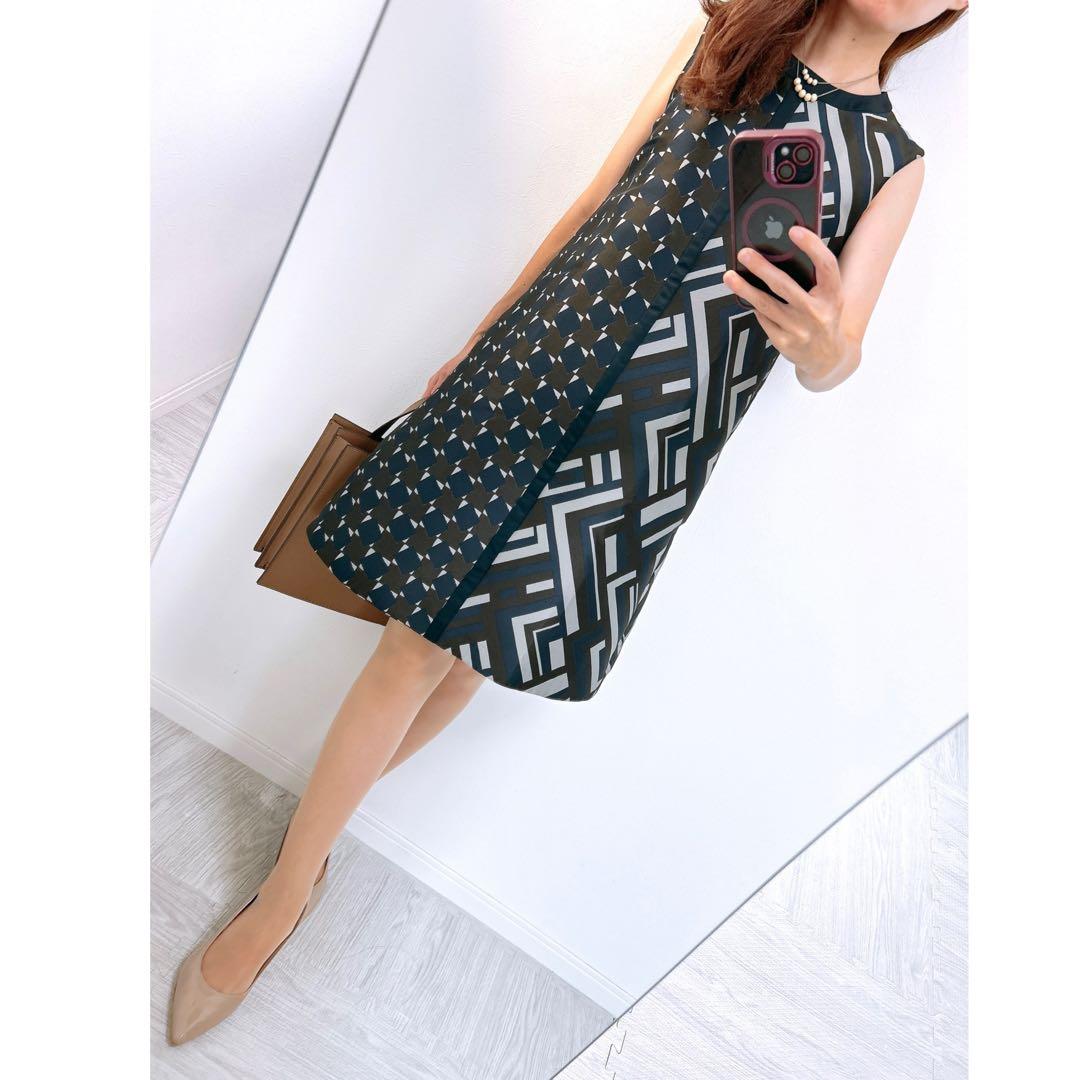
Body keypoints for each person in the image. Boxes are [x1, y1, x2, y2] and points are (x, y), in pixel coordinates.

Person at [169, 0, 967, 1045]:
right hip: (544, 361)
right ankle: (284, 898)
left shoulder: (894, 163)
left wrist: (820, 343)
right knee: (415, 643)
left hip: (647, 443)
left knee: (474, 659)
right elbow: (598, 199)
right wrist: (482, 336)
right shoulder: (727, 35)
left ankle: (304, 848)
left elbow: (838, 354)